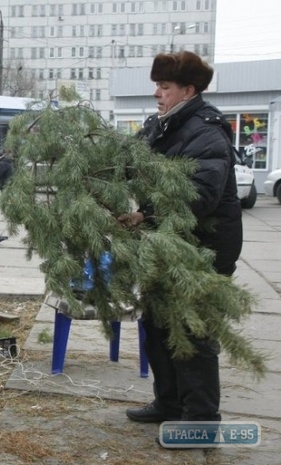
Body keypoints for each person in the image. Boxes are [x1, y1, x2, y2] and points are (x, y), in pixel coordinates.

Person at [120, 51, 243, 431]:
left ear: (188, 90)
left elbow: (198, 196)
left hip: (202, 248)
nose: (157, 93)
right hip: (165, 242)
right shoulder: (162, 125)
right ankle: (169, 403)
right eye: (156, 85)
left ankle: (201, 420)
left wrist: (146, 215)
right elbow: (128, 165)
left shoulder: (206, 131)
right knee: (157, 324)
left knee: (192, 332)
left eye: (165, 86)